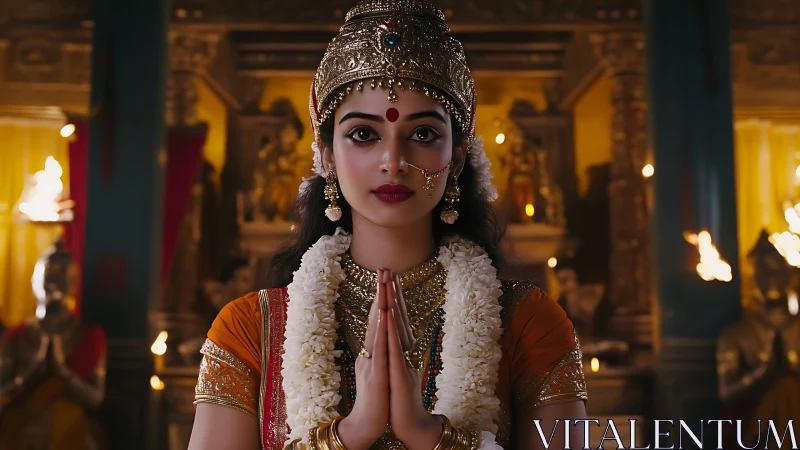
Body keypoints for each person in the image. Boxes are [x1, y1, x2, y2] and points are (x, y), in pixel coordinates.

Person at [188, 1, 588, 449]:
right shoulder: (249, 330)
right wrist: (349, 434)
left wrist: (428, 434)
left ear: (456, 157)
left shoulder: (531, 324)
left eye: (423, 134)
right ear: (325, 156)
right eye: (363, 134)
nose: (393, 162)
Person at [0, 239, 107, 449]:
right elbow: (2, 391)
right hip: (21, 430)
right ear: (34, 281)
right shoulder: (18, 334)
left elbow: (96, 398)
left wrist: (63, 372)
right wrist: (30, 374)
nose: (52, 284)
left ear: (73, 283)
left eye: (60, 277)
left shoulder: (87, 335)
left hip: (69, 431)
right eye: (47, 275)